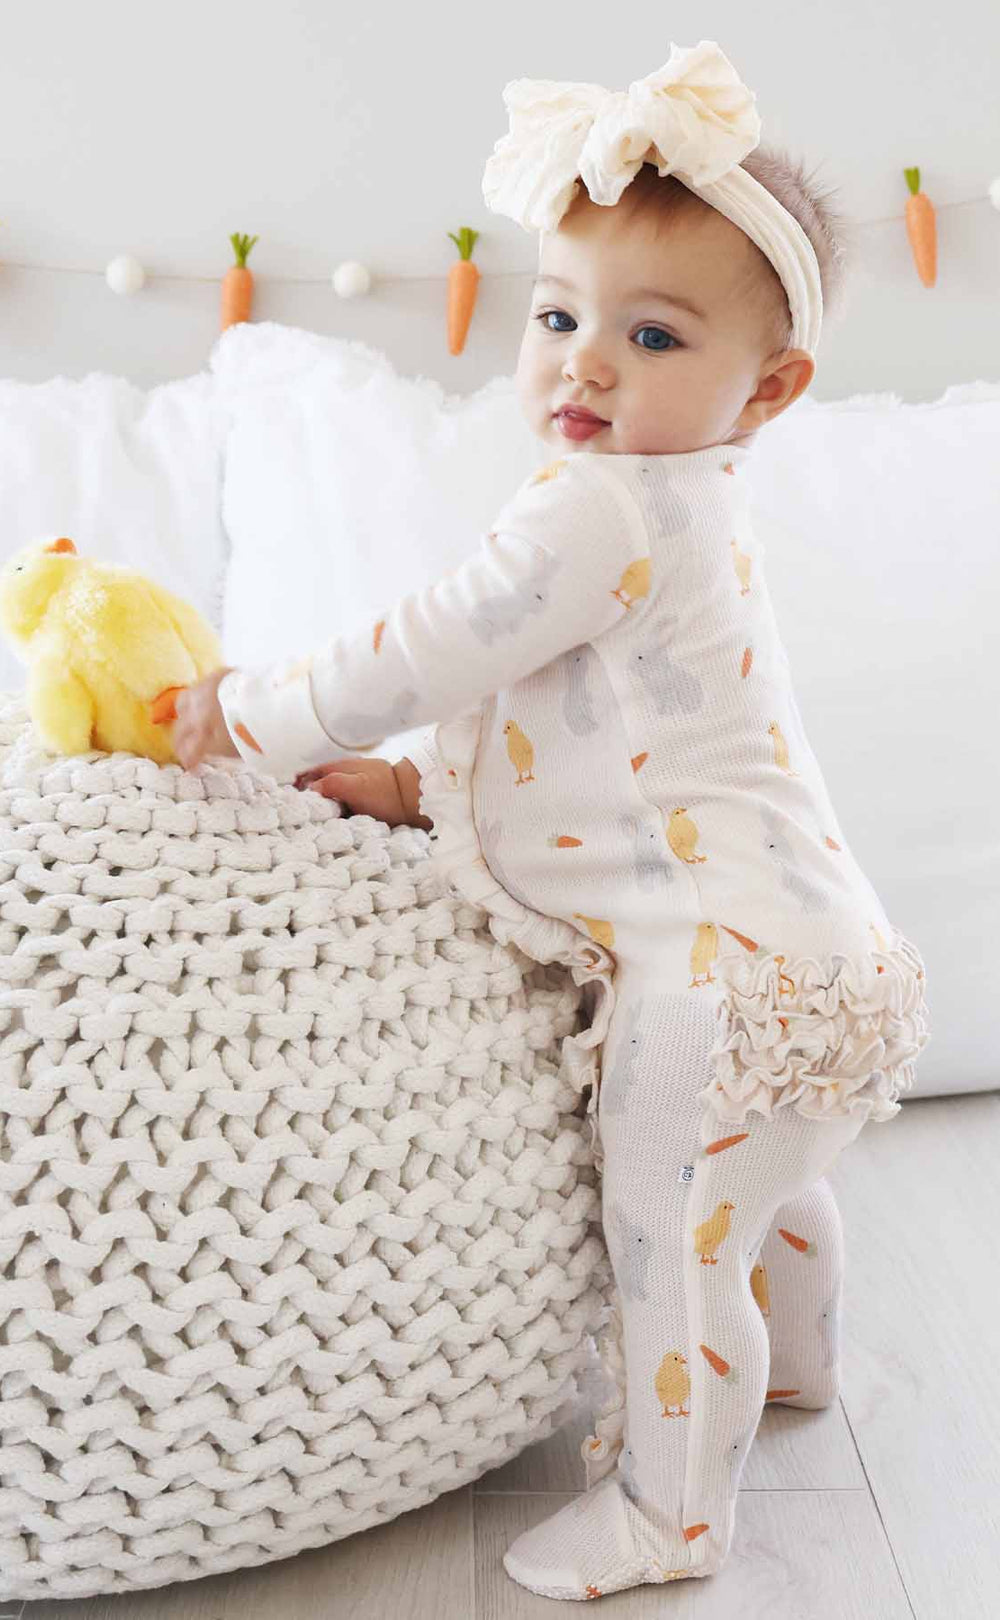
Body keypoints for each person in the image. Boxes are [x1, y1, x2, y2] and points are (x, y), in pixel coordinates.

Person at [172, 40, 930, 1599]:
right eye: (558, 314)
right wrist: (405, 790)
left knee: (669, 1241)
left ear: (768, 389)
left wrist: (249, 714)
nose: (583, 363)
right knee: (773, 1187)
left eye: (649, 335)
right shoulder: (688, 505)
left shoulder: (597, 509)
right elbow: (593, 742)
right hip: (822, 959)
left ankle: (671, 1514)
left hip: (711, 986)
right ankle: (797, 1371)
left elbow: (432, 647)